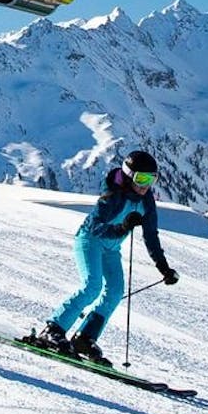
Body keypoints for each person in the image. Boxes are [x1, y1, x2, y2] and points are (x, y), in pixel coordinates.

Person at [28, 150, 178, 366]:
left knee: (116, 291)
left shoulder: (146, 201)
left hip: (111, 248)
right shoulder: (113, 196)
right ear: (129, 175)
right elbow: (97, 227)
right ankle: (53, 330)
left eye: (151, 179)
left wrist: (164, 268)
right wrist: (122, 227)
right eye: (141, 179)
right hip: (90, 241)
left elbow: (151, 236)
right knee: (92, 287)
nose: (146, 185)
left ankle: (84, 338)